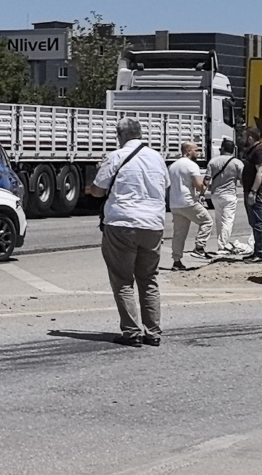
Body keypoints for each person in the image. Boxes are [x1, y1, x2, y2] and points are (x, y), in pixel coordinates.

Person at [88, 118, 170, 347]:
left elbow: (97, 191)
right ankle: (153, 332)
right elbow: (164, 186)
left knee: (123, 280)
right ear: (140, 133)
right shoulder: (157, 158)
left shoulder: (115, 157)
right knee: (149, 279)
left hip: (121, 223)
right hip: (153, 224)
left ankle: (131, 332)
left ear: (120, 135)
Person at [167, 141, 212, 270]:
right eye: (196, 150)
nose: (198, 153)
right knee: (207, 221)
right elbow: (198, 185)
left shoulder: (172, 166)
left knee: (179, 234)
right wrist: (204, 186)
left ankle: (177, 261)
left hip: (175, 203)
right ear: (188, 151)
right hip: (188, 202)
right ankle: (199, 247)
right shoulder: (191, 165)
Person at [206, 138, 244, 253]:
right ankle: (222, 245)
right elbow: (242, 180)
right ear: (233, 150)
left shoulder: (213, 161)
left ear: (222, 149)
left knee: (219, 220)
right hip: (229, 195)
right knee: (227, 220)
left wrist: (202, 193)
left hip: (215, 194)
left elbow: (207, 179)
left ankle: (221, 242)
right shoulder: (237, 163)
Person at [241, 127, 262, 263]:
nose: (243, 139)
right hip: (249, 190)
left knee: (257, 222)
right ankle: (256, 251)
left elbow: (260, 172)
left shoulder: (259, 152)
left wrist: (253, 191)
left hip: (256, 192)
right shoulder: (252, 151)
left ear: (250, 137)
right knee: (253, 222)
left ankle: (260, 253)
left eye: (244, 136)